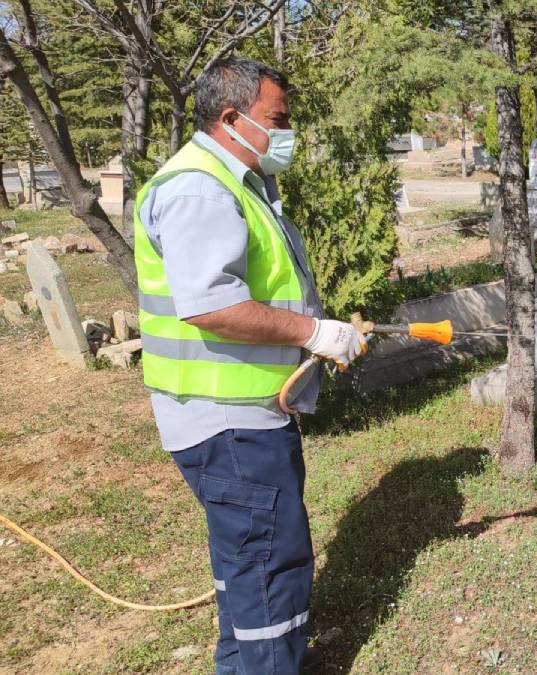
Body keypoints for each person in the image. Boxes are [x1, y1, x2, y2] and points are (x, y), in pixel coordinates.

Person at [133, 56, 366, 674]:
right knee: (270, 565)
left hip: (241, 413)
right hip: (226, 423)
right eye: (277, 119)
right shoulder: (199, 188)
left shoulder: (234, 180)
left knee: (247, 562)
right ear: (231, 117)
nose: (286, 132)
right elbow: (213, 307)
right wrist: (313, 332)